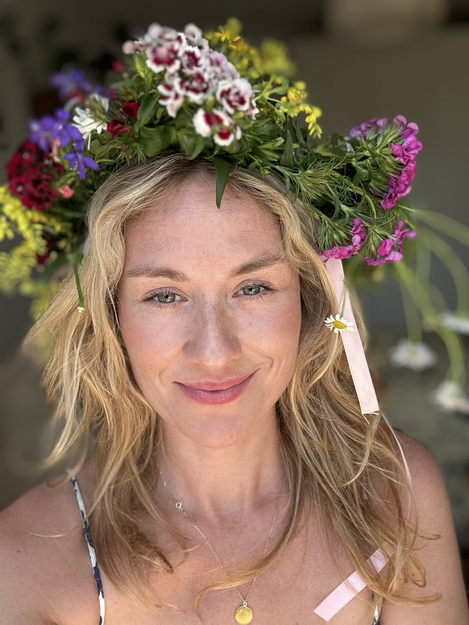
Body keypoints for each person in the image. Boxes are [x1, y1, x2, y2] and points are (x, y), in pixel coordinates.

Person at [0, 20, 468, 625]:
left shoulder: (397, 493)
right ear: (111, 318)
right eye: (164, 296)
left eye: (252, 288)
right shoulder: (27, 561)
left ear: (307, 301)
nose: (214, 350)